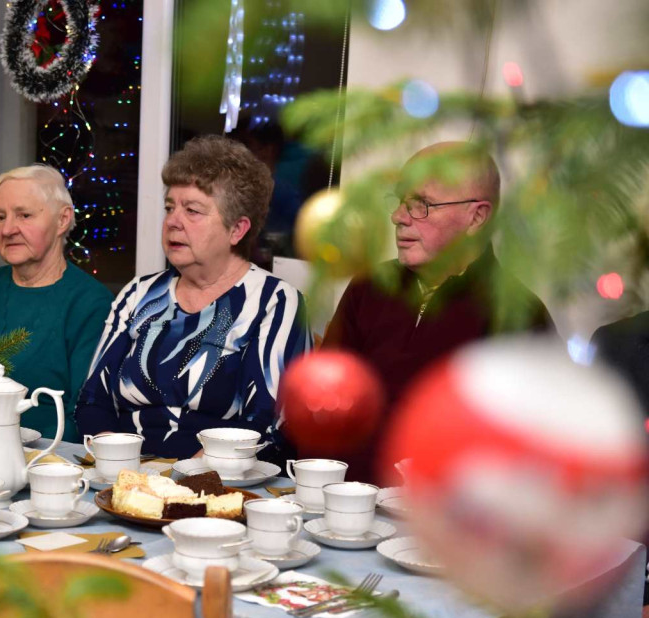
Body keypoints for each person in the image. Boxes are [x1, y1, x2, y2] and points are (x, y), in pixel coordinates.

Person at [322, 141, 554, 481]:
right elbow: (323, 403)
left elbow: (526, 455)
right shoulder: (370, 288)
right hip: (346, 506)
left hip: (446, 521)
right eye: (401, 201)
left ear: (477, 217)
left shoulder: (519, 315)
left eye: (422, 205)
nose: (398, 217)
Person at [75, 136, 308, 461]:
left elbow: (269, 425)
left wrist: (190, 475)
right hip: (126, 477)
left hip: (222, 486)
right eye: (170, 207)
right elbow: (92, 401)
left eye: (193, 211)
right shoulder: (139, 294)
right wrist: (114, 458)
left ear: (237, 230)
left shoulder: (274, 302)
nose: (173, 221)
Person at [0, 165, 112, 442]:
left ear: (62, 220)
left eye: (24, 215)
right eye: (0, 217)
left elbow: (84, 412)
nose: (8, 229)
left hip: (47, 457)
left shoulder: (90, 302)